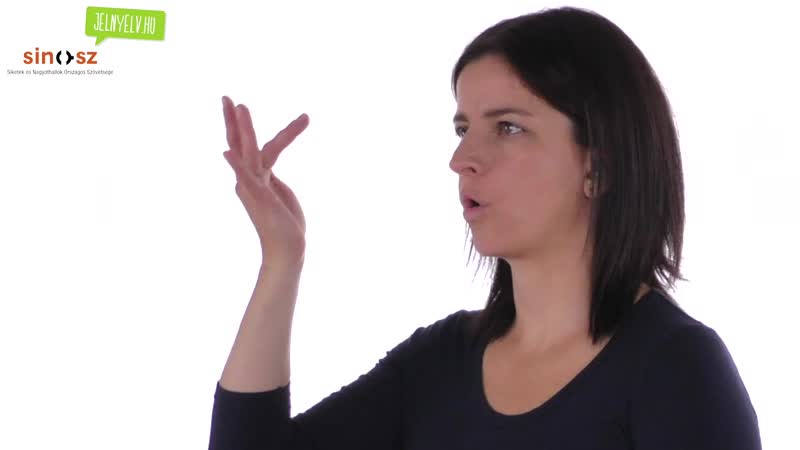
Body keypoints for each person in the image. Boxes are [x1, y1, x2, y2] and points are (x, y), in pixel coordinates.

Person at [208, 6, 761, 450]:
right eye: (463, 128)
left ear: (600, 166)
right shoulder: (440, 361)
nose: (462, 159)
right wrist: (282, 259)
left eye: (508, 127)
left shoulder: (677, 368)